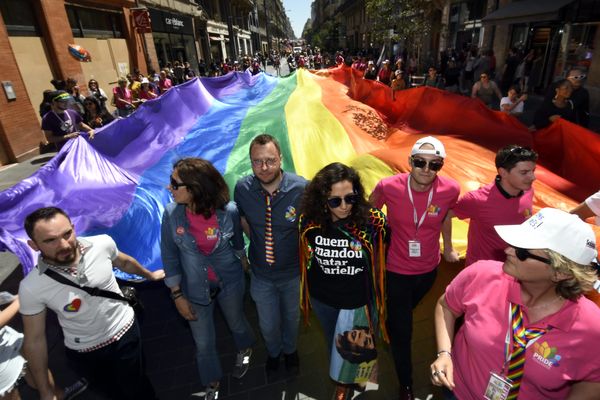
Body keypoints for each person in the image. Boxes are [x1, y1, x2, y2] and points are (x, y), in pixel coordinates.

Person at [431, 208, 600, 399]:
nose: (507, 250)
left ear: (561, 272)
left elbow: (594, 380)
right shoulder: (481, 275)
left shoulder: (592, 328)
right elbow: (446, 306)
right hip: (458, 392)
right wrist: (444, 353)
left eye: (521, 251)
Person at [19, 207, 163, 400]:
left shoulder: (102, 243)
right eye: (50, 240)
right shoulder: (31, 286)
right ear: (34, 245)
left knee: (138, 388)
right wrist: (46, 391)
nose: (63, 245)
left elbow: (124, 262)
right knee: (112, 393)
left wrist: (149, 274)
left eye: (67, 234)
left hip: (126, 333)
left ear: (73, 227)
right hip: (85, 353)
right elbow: (35, 341)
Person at [370, 136, 460, 400]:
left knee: (404, 310)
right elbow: (370, 214)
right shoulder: (388, 186)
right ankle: (406, 383)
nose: (426, 169)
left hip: (428, 269)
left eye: (434, 165)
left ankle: (391, 318)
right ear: (410, 162)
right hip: (395, 269)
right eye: (420, 162)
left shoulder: (450, 189)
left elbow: (445, 217)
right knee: (403, 329)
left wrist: (449, 246)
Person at [161, 158, 255, 400]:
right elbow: (169, 256)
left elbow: (235, 241)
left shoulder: (229, 211)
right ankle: (211, 380)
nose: (168, 187)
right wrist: (177, 295)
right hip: (194, 290)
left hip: (231, 283)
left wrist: (243, 260)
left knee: (236, 322)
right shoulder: (171, 215)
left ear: (195, 188)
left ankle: (245, 348)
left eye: (174, 183)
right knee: (203, 342)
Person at [299, 162, 388, 400]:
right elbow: (307, 258)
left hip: (358, 299)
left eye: (350, 198)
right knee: (335, 342)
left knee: (362, 343)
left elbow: (380, 260)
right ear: (321, 200)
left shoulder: (374, 222)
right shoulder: (308, 222)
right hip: (324, 300)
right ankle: (342, 380)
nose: (344, 206)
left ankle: (361, 376)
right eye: (334, 201)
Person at [234, 134, 308, 374]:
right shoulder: (243, 189)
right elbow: (243, 219)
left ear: (280, 158)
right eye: (257, 161)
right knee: (267, 324)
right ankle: (274, 352)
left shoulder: (301, 188)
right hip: (261, 274)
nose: (264, 167)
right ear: (251, 161)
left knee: (291, 319)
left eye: (270, 160)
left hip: (292, 273)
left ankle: (290, 351)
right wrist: (256, 242)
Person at [445, 145, 538, 266]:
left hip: (516, 269)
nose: (533, 177)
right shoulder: (477, 200)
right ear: (503, 172)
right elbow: (446, 215)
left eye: (533, 171)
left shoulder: (528, 190)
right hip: (482, 272)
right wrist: (448, 248)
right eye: (524, 172)